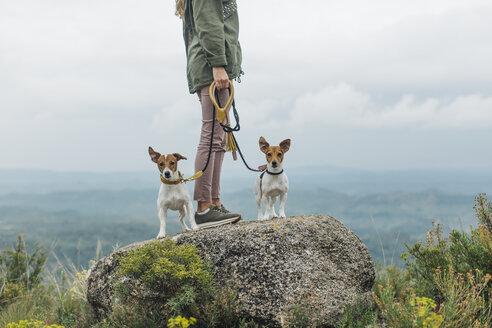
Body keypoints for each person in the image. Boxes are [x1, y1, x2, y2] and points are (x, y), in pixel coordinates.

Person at [176, 0, 243, 227]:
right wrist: (218, 65)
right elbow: (208, 24)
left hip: (211, 66)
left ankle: (214, 203)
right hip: (210, 67)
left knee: (220, 137)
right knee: (213, 135)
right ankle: (204, 208)